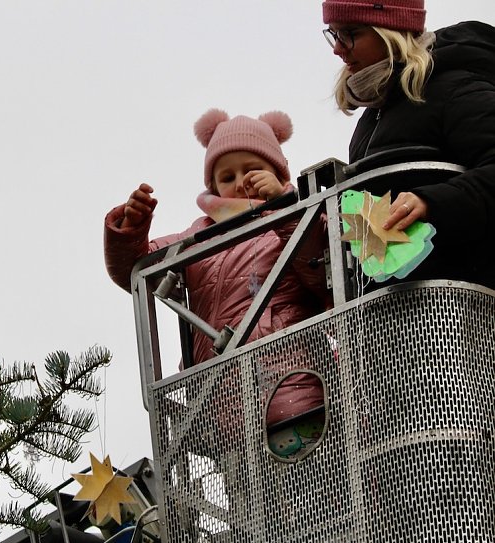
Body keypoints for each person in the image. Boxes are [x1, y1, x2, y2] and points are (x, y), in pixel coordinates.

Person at [103, 109, 329, 454]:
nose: (240, 181)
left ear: (277, 172)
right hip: (222, 405)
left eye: (253, 170)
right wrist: (131, 228)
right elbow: (135, 270)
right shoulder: (200, 237)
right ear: (213, 186)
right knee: (259, 505)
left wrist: (284, 207)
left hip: (292, 388)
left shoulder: (298, 217)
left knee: (315, 487)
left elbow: (320, 270)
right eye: (227, 175)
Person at [322, 0, 495, 289]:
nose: (338, 48)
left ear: (391, 30)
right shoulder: (371, 117)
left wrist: (430, 202)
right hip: (398, 320)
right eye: (333, 34)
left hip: (466, 310)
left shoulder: (454, 88)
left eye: (350, 33)